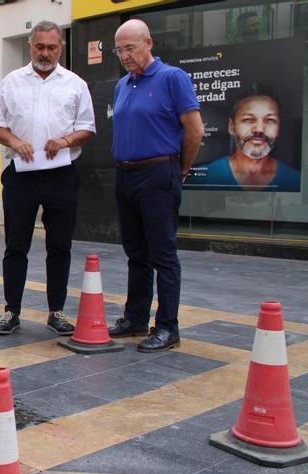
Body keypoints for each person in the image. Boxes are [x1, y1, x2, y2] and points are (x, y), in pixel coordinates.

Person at [0, 20, 96, 337]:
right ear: (30, 46)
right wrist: (14, 142)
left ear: (60, 47)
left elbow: (88, 127)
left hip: (62, 174)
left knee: (59, 246)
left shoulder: (75, 84)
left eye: (51, 47)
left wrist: (65, 141)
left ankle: (56, 312)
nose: (45, 53)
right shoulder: (11, 82)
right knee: (15, 245)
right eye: (40, 47)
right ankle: (11, 312)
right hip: (21, 175)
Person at [108, 19, 204, 352]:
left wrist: (181, 169)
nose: (124, 56)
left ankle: (167, 326)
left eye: (130, 48)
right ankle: (135, 318)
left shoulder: (172, 78)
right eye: (119, 50)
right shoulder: (122, 85)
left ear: (149, 43)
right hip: (126, 174)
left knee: (162, 253)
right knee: (135, 253)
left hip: (158, 173)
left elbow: (195, 130)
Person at [189, 89, 300, 192]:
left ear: (279, 128)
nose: (259, 130)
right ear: (231, 127)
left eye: (270, 120)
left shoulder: (296, 182)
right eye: (248, 119)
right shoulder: (203, 179)